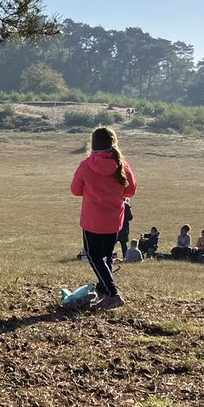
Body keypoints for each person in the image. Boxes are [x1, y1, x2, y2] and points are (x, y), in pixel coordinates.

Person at [70, 126, 138, 309]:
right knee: (106, 257)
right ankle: (103, 290)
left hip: (92, 219)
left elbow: (75, 190)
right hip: (114, 219)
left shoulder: (86, 165)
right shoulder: (122, 164)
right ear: (113, 142)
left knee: (93, 256)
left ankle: (113, 293)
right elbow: (130, 190)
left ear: (92, 145)